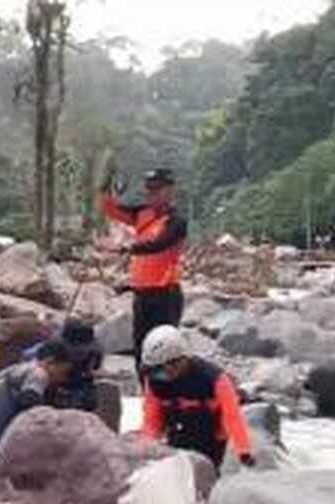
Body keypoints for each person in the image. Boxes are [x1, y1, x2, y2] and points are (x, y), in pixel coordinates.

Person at [96, 167, 188, 375]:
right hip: (142, 294)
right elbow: (110, 209)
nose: (151, 194)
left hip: (166, 295)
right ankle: (148, 396)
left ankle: (166, 396)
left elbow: (160, 244)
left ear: (170, 191)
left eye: (157, 189)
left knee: (164, 352)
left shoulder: (176, 222)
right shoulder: (142, 213)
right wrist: (106, 184)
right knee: (141, 351)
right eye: (149, 190)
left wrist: (127, 248)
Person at [138, 325, 254, 470]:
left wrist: (243, 451)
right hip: (178, 435)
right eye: (153, 371)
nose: (158, 377)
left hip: (212, 441)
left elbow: (233, 418)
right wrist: (145, 446)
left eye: (160, 371)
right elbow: (152, 419)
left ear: (176, 362)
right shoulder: (155, 383)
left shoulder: (215, 380)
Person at [0, 339, 76, 474]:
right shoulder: (38, 374)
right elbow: (30, 402)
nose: (61, 379)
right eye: (62, 372)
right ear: (50, 361)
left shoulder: (15, 369)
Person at [22, 318, 102, 411]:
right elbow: (30, 359)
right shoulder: (51, 349)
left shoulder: (92, 356)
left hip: (76, 388)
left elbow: (92, 372)